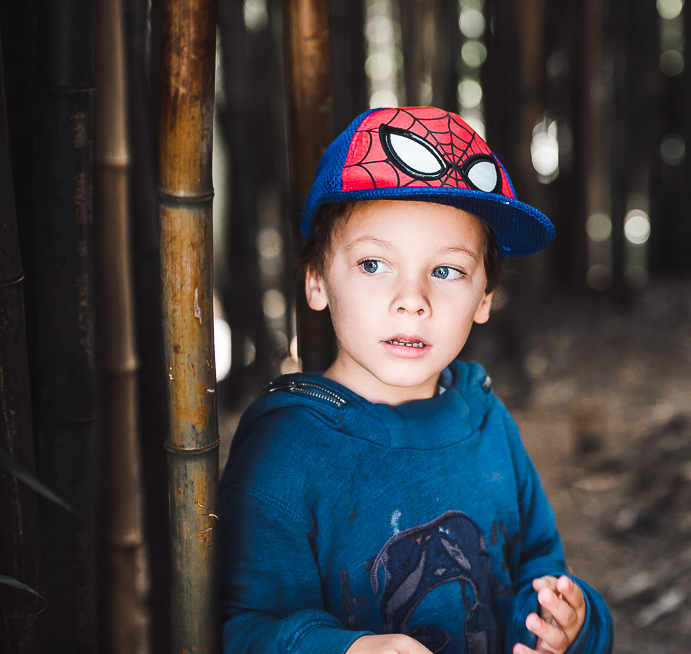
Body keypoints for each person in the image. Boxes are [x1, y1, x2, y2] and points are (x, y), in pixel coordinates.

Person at [219, 106, 614, 654]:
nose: (412, 300)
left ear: (485, 298)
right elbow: (244, 630)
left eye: (447, 271)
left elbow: (538, 568)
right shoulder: (283, 451)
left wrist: (569, 626)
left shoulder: (487, 423)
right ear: (316, 281)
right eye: (374, 265)